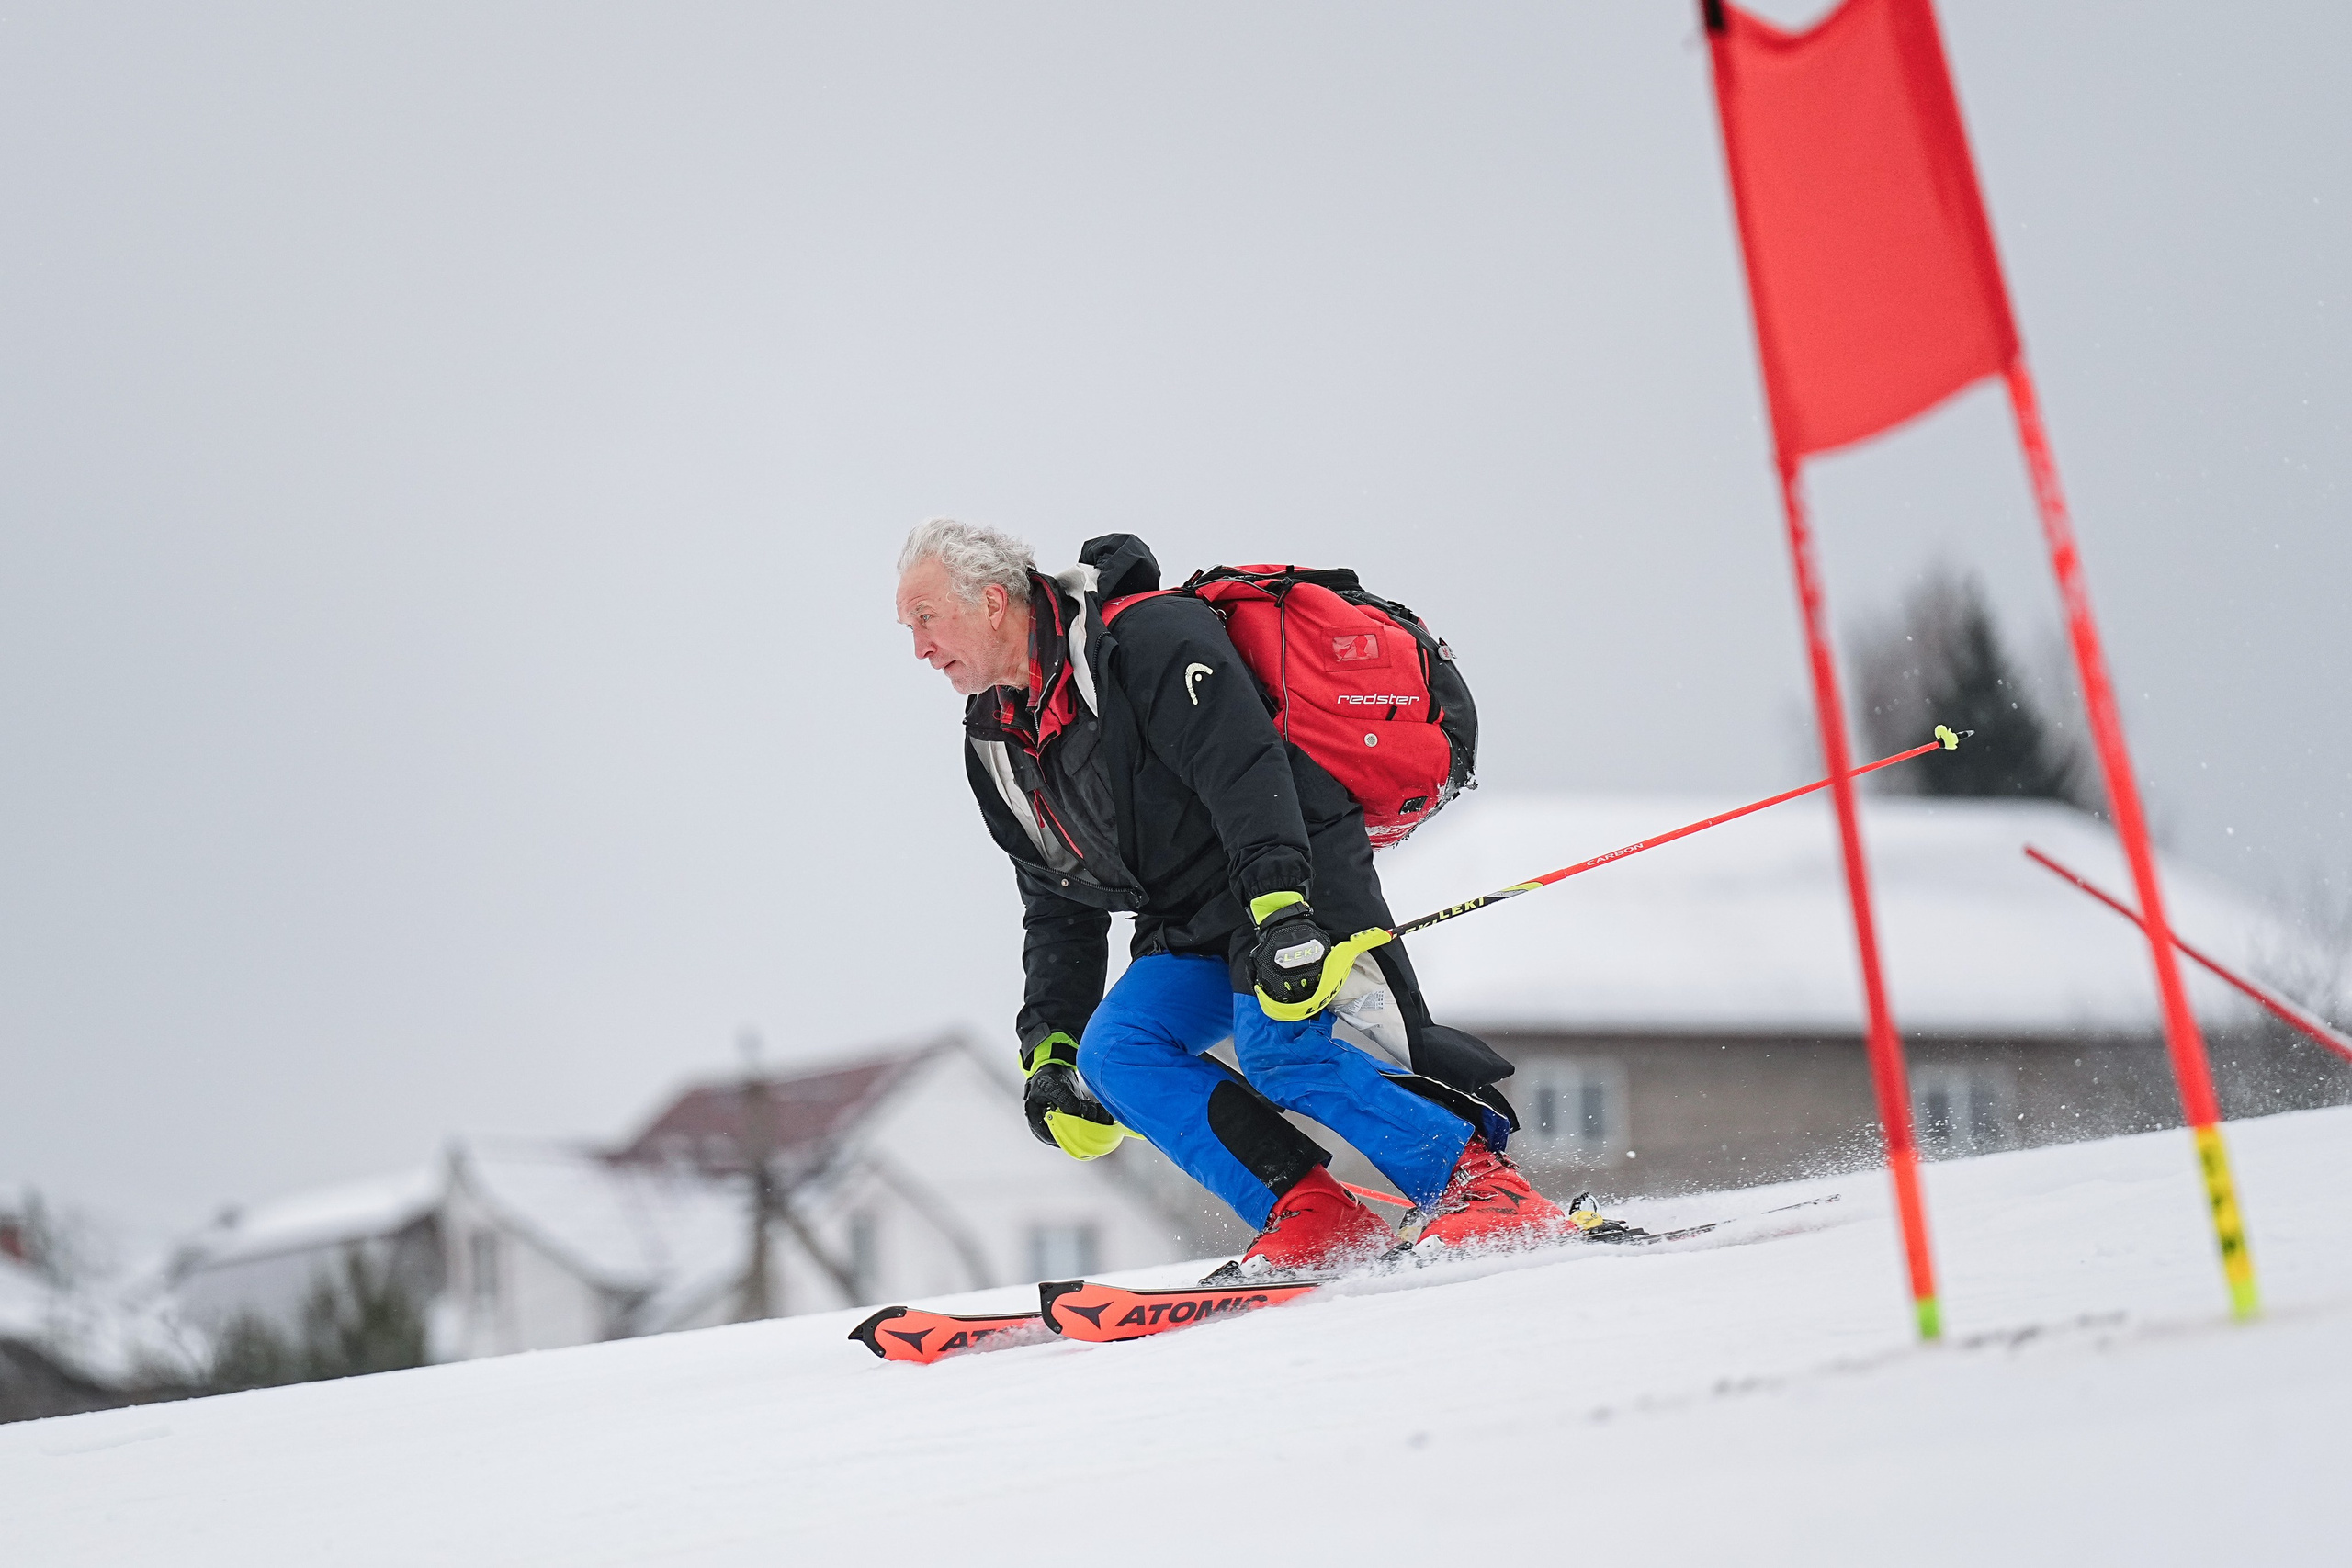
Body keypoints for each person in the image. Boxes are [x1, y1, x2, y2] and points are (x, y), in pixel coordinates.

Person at [893, 518, 1567, 1276]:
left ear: (991, 601)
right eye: (907, 627)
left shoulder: (1146, 639)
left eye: (925, 618)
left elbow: (1243, 770)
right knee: (1116, 1052)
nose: (917, 645)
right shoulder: (996, 739)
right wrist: (1052, 1047)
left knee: (1279, 1048)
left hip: (1287, 873)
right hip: (1186, 917)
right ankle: (1313, 1215)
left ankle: (1479, 1185)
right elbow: (1056, 898)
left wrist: (1282, 909)